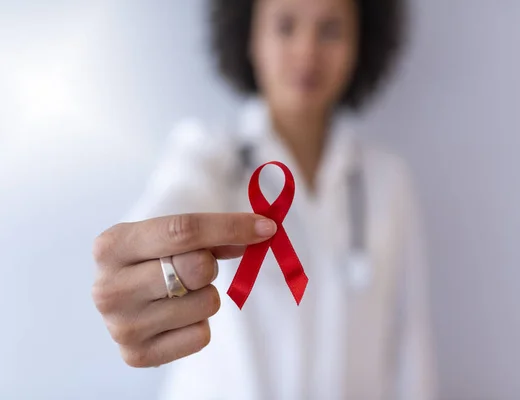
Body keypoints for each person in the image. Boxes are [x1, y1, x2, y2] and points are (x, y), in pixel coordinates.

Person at [91, 0, 438, 398]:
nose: (307, 51)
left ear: (360, 43)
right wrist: (142, 263)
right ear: (250, 37)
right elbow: (172, 204)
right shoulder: (207, 158)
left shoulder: (388, 182)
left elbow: (411, 347)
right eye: (285, 26)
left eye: (330, 30)